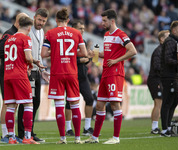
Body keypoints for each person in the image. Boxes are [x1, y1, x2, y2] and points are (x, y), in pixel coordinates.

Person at [84, 9, 137, 144]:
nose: (102, 23)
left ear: (112, 21)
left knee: (114, 104)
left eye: (104, 20)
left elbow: (133, 51)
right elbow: (107, 54)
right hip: (106, 73)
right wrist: (94, 54)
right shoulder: (107, 34)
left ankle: (116, 138)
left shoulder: (121, 35)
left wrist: (117, 60)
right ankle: (95, 137)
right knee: (100, 105)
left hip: (115, 73)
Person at [41, 8, 87, 144]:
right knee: (75, 105)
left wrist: (56, 53)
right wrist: (71, 53)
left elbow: (43, 54)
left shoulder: (50, 33)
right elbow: (84, 52)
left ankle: (63, 138)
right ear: (68, 20)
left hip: (57, 73)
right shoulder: (76, 33)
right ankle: (78, 138)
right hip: (72, 73)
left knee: (59, 106)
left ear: (56, 20)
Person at [4, 16, 39, 144]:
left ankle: (11, 137)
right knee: (29, 104)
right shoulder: (25, 38)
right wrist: (30, 66)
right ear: (29, 27)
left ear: (18, 25)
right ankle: (27, 137)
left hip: (7, 75)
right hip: (19, 75)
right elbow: (28, 57)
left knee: (11, 107)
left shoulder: (8, 40)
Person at [17, 8, 49, 142]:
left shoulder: (41, 32)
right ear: (35, 17)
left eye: (44, 21)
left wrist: (42, 71)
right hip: (27, 71)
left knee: (35, 102)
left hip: (36, 71)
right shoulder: (27, 31)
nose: (41, 23)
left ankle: (29, 131)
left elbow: (38, 54)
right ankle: (22, 133)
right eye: (39, 19)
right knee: (26, 102)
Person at [0, 12, 29, 143]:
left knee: (11, 104)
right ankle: (7, 134)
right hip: (13, 71)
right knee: (13, 103)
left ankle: (11, 136)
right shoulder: (9, 34)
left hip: (8, 73)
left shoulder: (10, 38)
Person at [65, 20, 94, 136]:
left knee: (90, 99)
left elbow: (85, 59)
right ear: (73, 29)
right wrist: (80, 60)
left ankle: (87, 127)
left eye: (83, 28)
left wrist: (90, 58)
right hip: (72, 75)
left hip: (82, 76)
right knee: (69, 102)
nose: (82, 30)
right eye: (80, 28)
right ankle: (68, 128)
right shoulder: (68, 42)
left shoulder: (83, 41)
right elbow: (66, 59)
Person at [147, 30, 169, 134]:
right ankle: (154, 127)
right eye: (168, 37)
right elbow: (157, 66)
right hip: (155, 79)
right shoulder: (159, 51)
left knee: (160, 103)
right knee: (158, 103)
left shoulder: (164, 50)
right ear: (162, 39)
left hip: (159, 79)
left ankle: (157, 126)